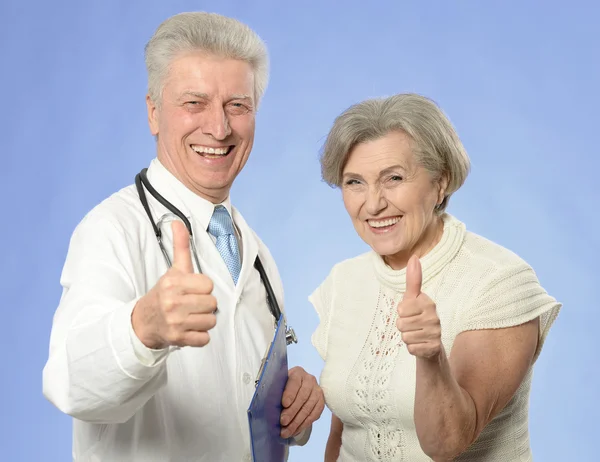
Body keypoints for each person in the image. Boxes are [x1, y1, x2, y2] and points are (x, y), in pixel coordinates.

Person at [42, 11, 324, 462]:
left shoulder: (256, 256)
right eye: (194, 103)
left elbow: (236, 396)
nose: (219, 127)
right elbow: (68, 384)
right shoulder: (112, 229)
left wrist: (293, 404)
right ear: (154, 112)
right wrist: (142, 330)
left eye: (238, 105)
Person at [310, 93, 561, 461]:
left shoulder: (499, 282)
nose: (374, 203)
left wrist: (430, 357)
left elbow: (448, 442)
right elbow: (344, 429)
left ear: (440, 183)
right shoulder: (344, 281)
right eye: (354, 183)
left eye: (393, 178)